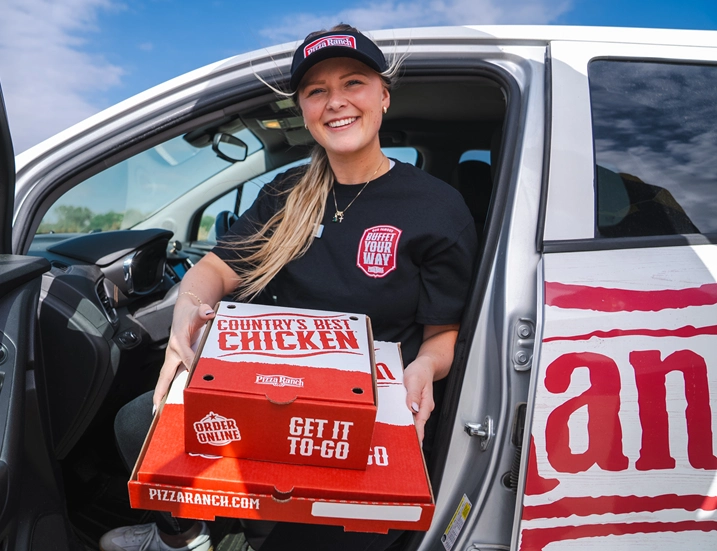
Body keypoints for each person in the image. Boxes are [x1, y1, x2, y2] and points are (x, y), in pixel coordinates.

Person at [100, 23, 477, 551]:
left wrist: (424, 369)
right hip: (265, 389)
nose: (335, 102)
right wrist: (188, 309)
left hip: (358, 412)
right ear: (302, 108)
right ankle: (183, 536)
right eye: (316, 90)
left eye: (354, 83)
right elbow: (214, 270)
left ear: (384, 96)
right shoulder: (286, 192)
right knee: (138, 421)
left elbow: (443, 335)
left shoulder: (437, 209)